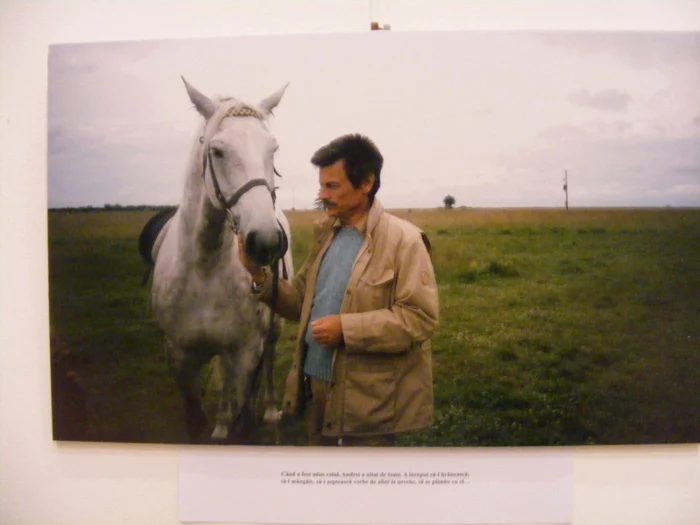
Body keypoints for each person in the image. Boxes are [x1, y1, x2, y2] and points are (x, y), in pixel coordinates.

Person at [238, 133, 439, 447]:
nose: (322, 195)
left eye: (332, 186)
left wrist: (346, 329)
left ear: (366, 183)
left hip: (370, 404)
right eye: (321, 186)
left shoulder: (406, 241)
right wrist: (257, 275)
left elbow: (420, 319)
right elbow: (300, 303)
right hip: (316, 388)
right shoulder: (327, 237)